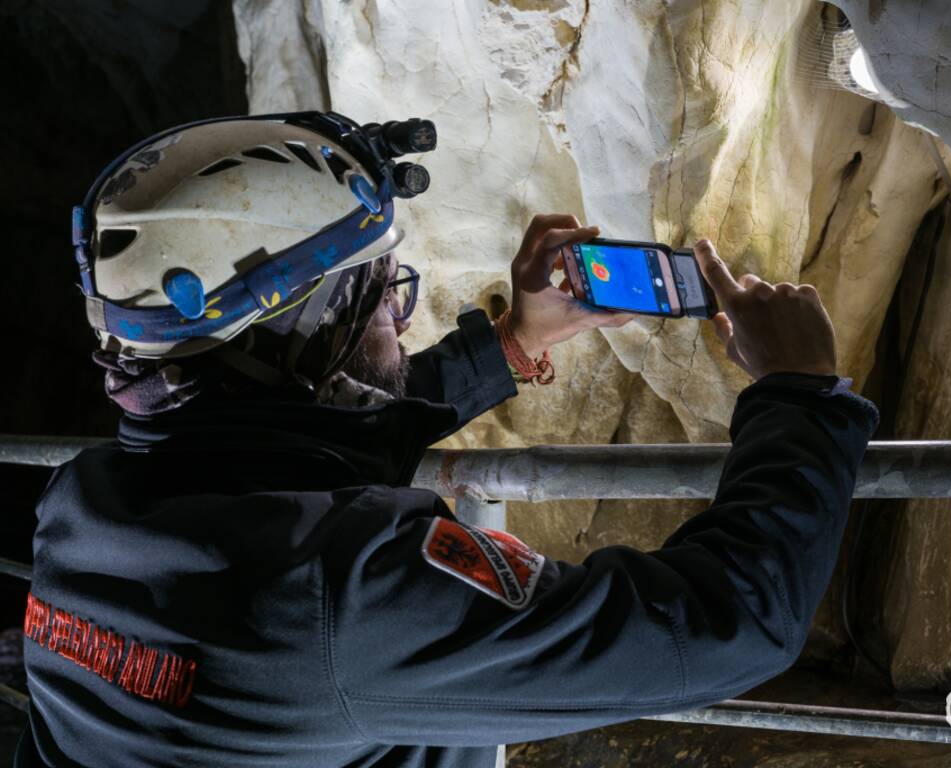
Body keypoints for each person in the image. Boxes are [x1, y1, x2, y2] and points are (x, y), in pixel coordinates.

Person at [18, 111, 879, 768]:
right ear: (312, 329)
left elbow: (289, 465)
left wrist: (511, 345)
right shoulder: (346, 597)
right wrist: (798, 396)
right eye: (386, 293)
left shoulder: (87, 506)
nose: (403, 314)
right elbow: (728, 624)